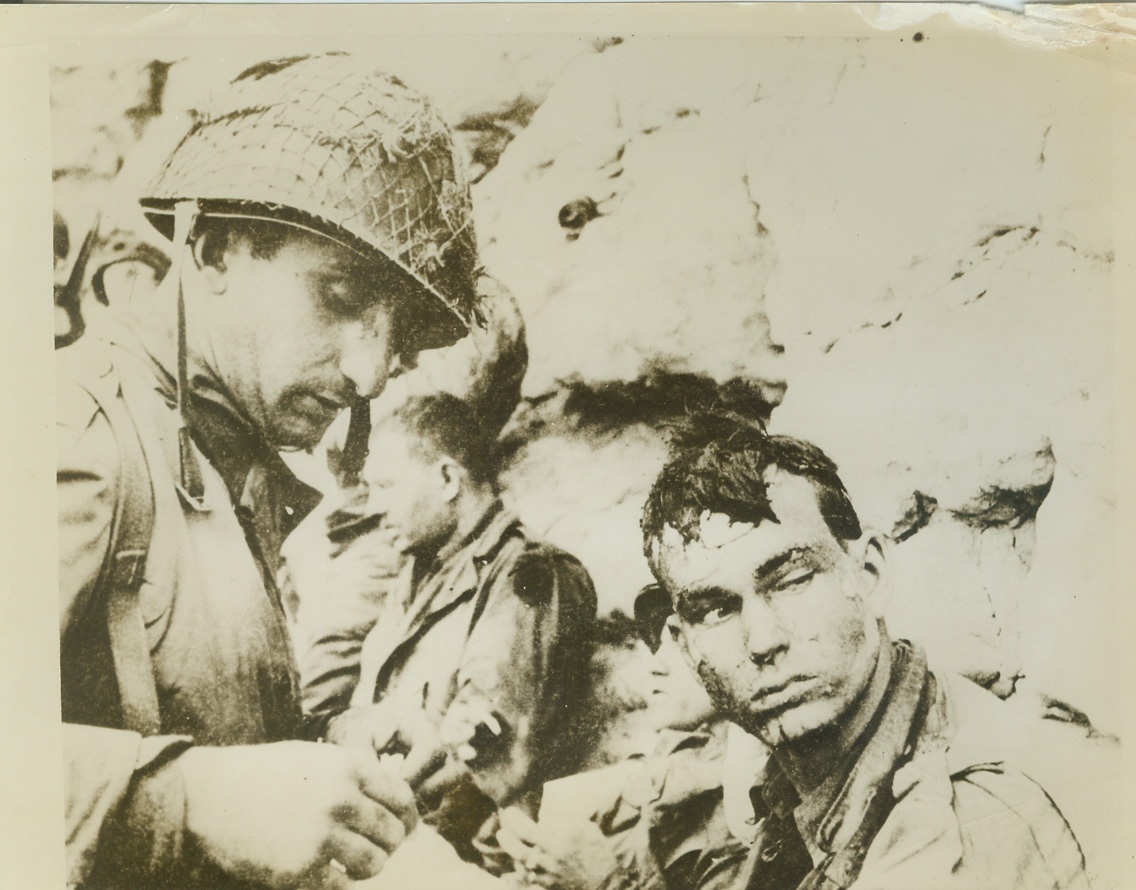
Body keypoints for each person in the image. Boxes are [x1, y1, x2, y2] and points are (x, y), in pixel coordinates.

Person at [57, 52, 481, 889]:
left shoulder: (218, 450)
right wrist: (193, 799)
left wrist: (328, 752)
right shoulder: (74, 433)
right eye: (336, 296)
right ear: (214, 249)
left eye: (394, 337)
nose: (367, 374)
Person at [638, 412, 1090, 890]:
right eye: (715, 611)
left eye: (791, 581)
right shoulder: (794, 783)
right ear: (686, 646)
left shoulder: (959, 823)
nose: (763, 640)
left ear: (869, 574)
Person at [300, 393, 598, 858]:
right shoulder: (420, 572)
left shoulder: (530, 576)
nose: (374, 509)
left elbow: (484, 762)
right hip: (401, 848)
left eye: (385, 486)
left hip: (467, 865)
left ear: (445, 479)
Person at [495, 584, 751, 890]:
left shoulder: (750, 800)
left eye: (682, 640)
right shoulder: (677, 754)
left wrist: (603, 881)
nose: (656, 666)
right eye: (663, 640)